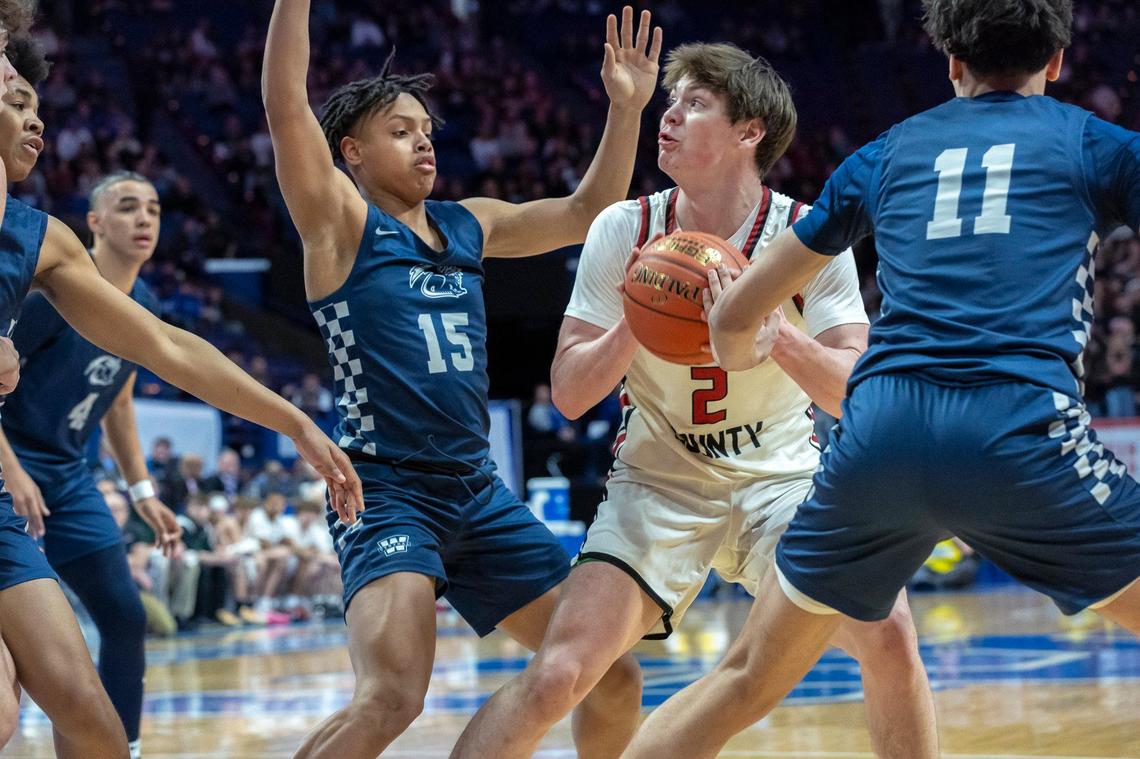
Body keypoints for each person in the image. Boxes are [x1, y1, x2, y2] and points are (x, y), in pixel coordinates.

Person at [620, 1, 1140, 756]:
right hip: (1017, 430)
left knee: (745, 676)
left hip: (879, 436)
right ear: (1057, 62)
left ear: (952, 62)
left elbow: (736, 315)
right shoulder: (1098, 144)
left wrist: (738, 346)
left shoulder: (885, 152)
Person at [450, 43, 936, 759]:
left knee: (888, 632)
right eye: (669, 103)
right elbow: (572, 393)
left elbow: (858, 394)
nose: (668, 117)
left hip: (780, 481)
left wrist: (778, 338)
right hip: (658, 480)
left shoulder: (808, 237)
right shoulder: (625, 229)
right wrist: (635, 320)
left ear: (750, 133)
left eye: (694, 103)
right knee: (558, 673)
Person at [262, 2, 662, 756]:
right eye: (400, 130)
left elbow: (589, 210)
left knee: (611, 674)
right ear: (349, 150)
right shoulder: (337, 222)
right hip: (384, 490)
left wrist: (625, 109)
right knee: (391, 697)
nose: (423, 143)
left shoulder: (469, 223)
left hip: (477, 491)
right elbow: (286, 105)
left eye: (426, 131)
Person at [0, 38, 361, 758]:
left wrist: (291, 420)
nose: (36, 118)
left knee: (95, 722)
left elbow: (167, 349)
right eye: (14, 98)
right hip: (22, 467)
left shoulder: (41, 242)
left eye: (36, 103)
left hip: (37, 492)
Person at [0, 167, 180, 757]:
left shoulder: (146, 302)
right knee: (45, 650)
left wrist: (142, 489)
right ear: (96, 223)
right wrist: (12, 469)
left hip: (71, 475)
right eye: (128, 208)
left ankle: (121, 746)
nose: (144, 219)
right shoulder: (54, 293)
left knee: (126, 617)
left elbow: (119, 401)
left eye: (152, 208)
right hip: (13, 458)